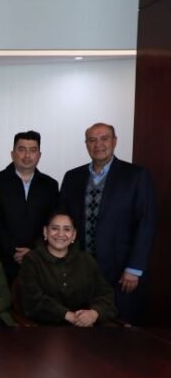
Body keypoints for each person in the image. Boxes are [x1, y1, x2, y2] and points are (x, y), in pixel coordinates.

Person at [60, 122, 156, 324]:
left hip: (122, 271)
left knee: (121, 328)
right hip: (81, 269)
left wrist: (134, 267)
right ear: (86, 144)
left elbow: (146, 223)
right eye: (92, 140)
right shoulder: (72, 177)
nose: (98, 145)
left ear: (115, 141)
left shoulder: (136, 176)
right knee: (83, 327)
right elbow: (63, 221)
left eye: (104, 139)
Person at [18, 212, 117, 326]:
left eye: (67, 229)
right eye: (55, 228)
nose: (60, 234)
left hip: (87, 326)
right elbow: (32, 301)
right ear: (45, 231)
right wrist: (68, 316)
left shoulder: (86, 260)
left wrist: (94, 313)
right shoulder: (31, 260)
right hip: (45, 329)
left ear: (74, 235)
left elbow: (106, 295)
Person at [0, 130, 58, 284]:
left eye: (33, 150)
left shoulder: (50, 185)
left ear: (39, 155)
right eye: (22, 149)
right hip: (3, 260)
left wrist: (34, 251)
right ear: (12, 154)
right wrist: (14, 251)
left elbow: (52, 223)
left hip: (40, 260)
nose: (27, 155)